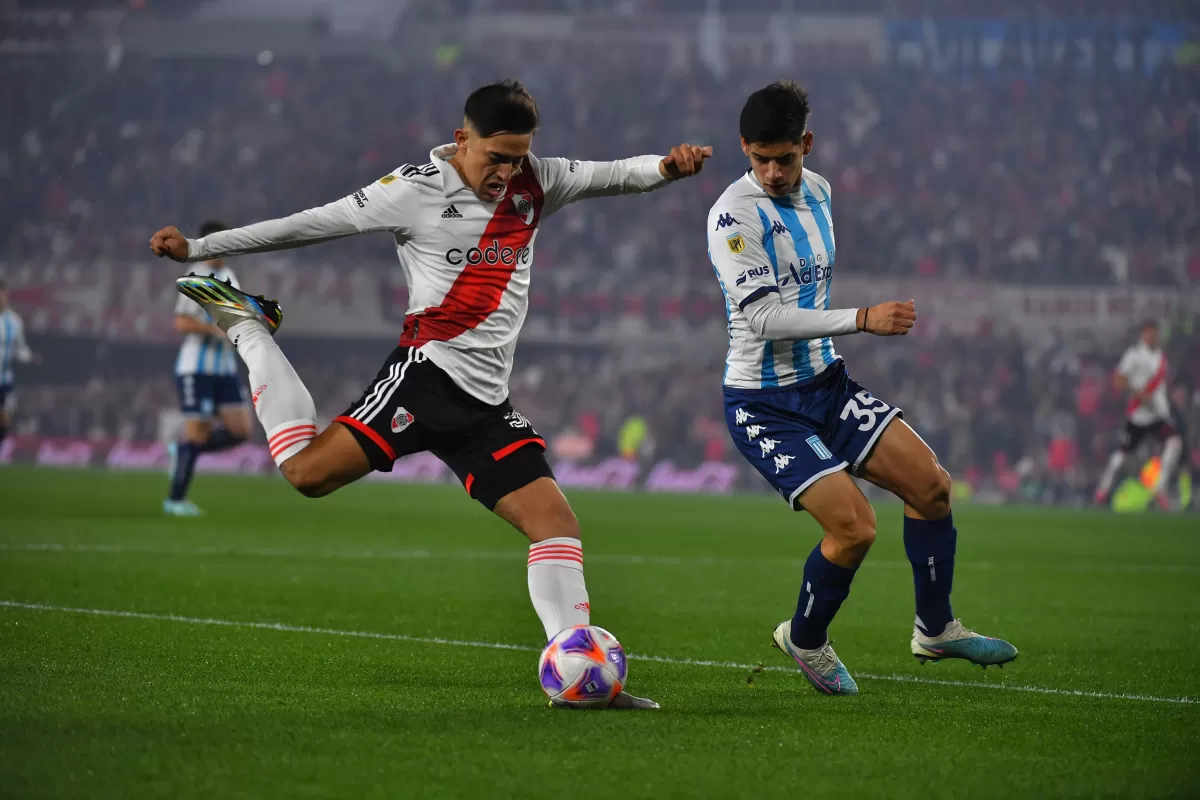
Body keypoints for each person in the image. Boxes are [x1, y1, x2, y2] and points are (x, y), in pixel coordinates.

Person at [149, 79, 710, 709]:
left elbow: (615, 175)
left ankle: (579, 678)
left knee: (556, 526)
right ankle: (247, 323)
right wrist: (201, 250)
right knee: (306, 474)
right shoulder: (412, 189)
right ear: (462, 137)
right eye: (496, 155)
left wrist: (666, 167)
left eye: (518, 155)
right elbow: (310, 225)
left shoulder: (537, 180)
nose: (507, 170)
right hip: (425, 377)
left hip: (487, 405)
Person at [706, 81, 1017, 696]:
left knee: (932, 487)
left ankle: (935, 627)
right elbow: (763, 319)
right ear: (744, 148)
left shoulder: (819, 191)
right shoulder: (732, 216)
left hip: (826, 383)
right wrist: (861, 318)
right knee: (855, 528)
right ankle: (806, 637)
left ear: (807, 145)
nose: (771, 172)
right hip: (764, 404)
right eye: (759, 158)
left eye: (784, 158)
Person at [164, 220, 254, 516]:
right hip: (196, 369)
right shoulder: (195, 275)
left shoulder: (229, 275)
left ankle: (183, 452)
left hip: (224, 367)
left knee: (241, 431)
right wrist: (214, 330)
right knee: (198, 435)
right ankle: (175, 500)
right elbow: (181, 321)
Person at [1094, 320, 1181, 510]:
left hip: (1158, 415)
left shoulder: (1160, 357)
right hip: (1139, 416)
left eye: (1155, 334)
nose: (1153, 337)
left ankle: (1160, 488)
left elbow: (1161, 387)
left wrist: (1172, 399)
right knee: (1123, 454)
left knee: (1174, 443)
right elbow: (1118, 380)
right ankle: (1103, 489)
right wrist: (1138, 393)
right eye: (1149, 333)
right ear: (1142, 335)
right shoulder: (1133, 355)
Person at [0, 278, 41, 449]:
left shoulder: (14, 322)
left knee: (5, 422)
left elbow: (20, 349)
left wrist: (30, 357)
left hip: (5, 380)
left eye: (3, 294)